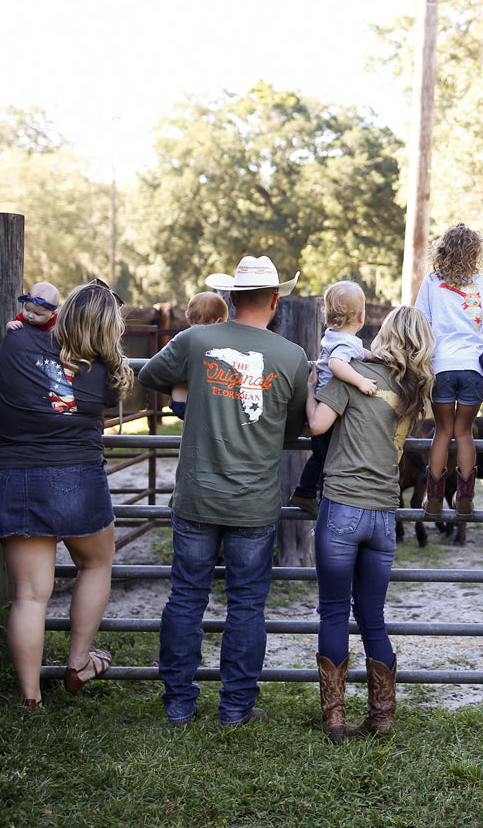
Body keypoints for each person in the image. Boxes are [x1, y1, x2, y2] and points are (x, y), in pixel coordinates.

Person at [138, 255, 309, 726]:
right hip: (253, 503)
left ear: (231, 298)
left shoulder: (195, 340)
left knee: (187, 598)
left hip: (196, 494)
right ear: (275, 301)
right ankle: (235, 707)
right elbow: (293, 425)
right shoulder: (291, 356)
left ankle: (178, 702)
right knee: (248, 604)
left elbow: (148, 375)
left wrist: (191, 384)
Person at [0, 281, 134, 708]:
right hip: (77, 474)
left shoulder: (13, 344)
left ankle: (31, 699)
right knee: (96, 565)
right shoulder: (105, 369)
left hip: (15, 475)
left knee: (30, 595)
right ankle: (78, 662)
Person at [306, 307, 435, 742]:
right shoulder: (413, 390)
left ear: (386, 333)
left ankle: (336, 719)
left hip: (342, 506)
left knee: (333, 612)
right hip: (384, 513)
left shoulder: (353, 373)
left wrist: (313, 388)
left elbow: (318, 425)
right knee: (373, 618)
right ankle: (381, 716)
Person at [414, 223, 483, 518]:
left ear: (443, 250)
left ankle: (433, 501)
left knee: (442, 432)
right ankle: (465, 499)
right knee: (464, 434)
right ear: (475, 252)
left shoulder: (432, 281)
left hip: (441, 367)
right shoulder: (482, 282)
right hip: (473, 368)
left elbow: (421, 322)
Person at [289, 280, 377, 518]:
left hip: (323, 400)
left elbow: (362, 352)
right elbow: (338, 364)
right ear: (361, 317)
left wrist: (378, 358)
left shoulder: (335, 337)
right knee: (327, 458)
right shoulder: (344, 343)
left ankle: (307, 492)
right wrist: (360, 380)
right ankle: (310, 493)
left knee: (320, 455)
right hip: (330, 404)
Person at [168, 291, 229, 419]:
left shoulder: (183, 340)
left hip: (180, 402)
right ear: (219, 322)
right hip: (209, 403)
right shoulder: (220, 343)